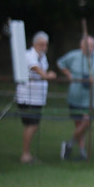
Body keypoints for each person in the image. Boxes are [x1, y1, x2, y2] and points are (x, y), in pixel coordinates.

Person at [15, 31, 56, 164]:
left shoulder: (42, 57)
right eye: (41, 44)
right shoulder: (29, 55)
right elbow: (37, 70)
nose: (44, 47)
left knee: (33, 124)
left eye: (46, 45)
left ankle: (27, 153)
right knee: (31, 124)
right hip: (27, 97)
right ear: (34, 44)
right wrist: (47, 75)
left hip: (38, 97)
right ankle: (25, 154)